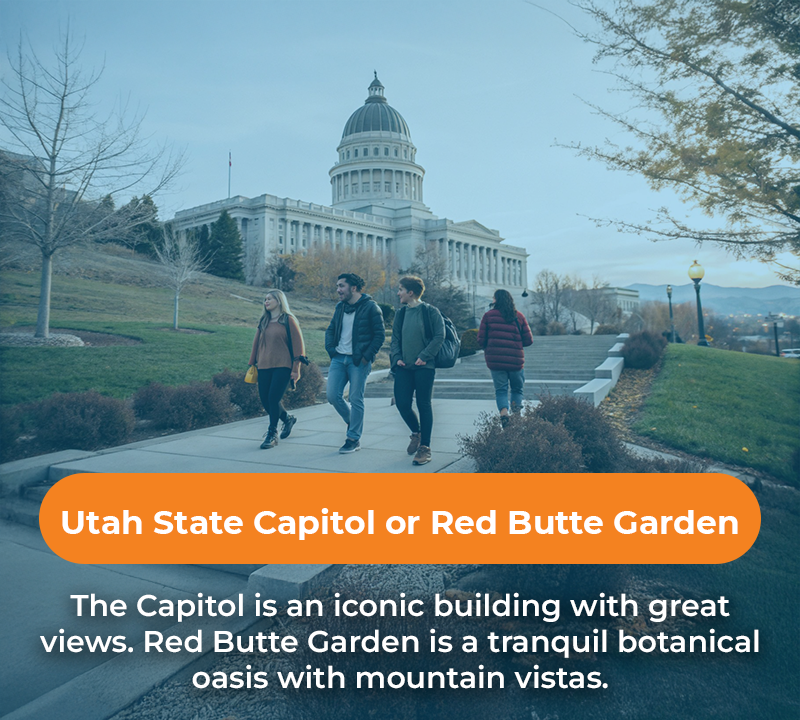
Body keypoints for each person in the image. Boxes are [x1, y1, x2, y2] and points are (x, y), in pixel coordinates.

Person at [325, 272, 386, 454]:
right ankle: (353, 423)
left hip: (358, 361)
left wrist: (366, 356)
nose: (338, 290)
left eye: (341, 286)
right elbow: (331, 329)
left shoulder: (371, 307)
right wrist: (331, 349)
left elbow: (379, 335)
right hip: (338, 358)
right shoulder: (340, 307)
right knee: (332, 396)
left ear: (353, 288)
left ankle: (353, 438)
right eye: (337, 286)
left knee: (355, 398)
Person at [390, 275, 445, 466]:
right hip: (403, 367)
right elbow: (395, 339)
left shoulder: (430, 311)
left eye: (401, 290)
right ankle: (416, 432)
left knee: (423, 404)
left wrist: (425, 356)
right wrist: (397, 358)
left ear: (410, 292)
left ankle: (425, 448)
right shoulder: (401, 314)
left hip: (424, 366)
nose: (398, 293)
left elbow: (439, 336)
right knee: (402, 403)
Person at [248, 289, 305, 449]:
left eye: (269, 299)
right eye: (265, 299)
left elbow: (298, 345)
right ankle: (287, 419)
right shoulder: (264, 321)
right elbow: (256, 343)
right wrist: (252, 363)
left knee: (273, 399)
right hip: (264, 365)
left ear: (279, 301)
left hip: (283, 366)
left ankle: (272, 434)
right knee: (265, 400)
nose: (266, 302)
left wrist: (296, 368)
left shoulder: (288, 320)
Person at [477, 288, 533, 424]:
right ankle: (517, 416)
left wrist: (490, 346)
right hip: (515, 361)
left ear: (496, 300)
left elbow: (480, 340)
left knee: (501, 390)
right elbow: (528, 340)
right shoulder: (519, 316)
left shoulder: (488, 316)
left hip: (495, 361)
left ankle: (504, 414)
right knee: (517, 389)